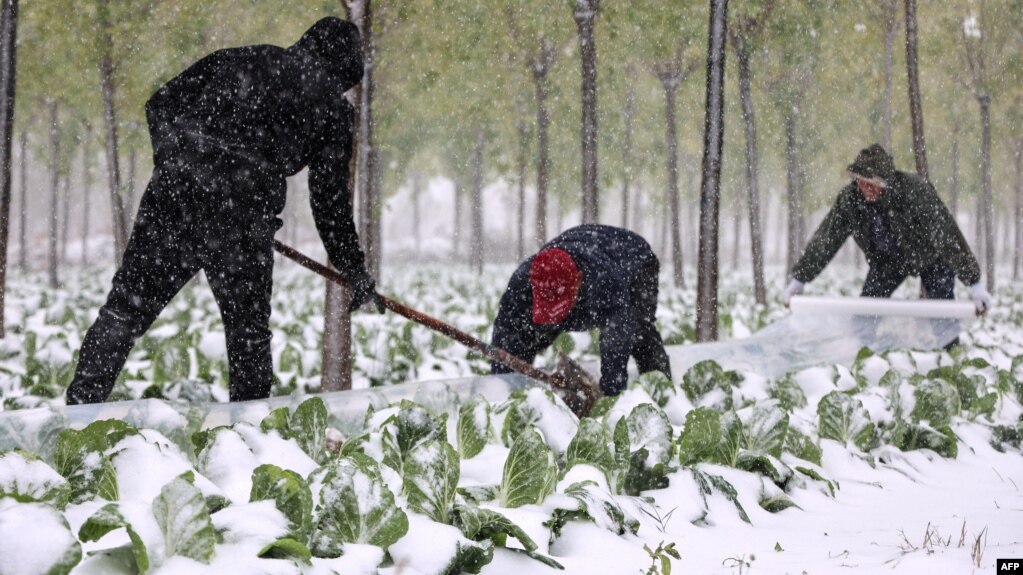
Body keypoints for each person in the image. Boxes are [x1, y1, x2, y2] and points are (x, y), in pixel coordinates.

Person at [66, 18, 379, 405]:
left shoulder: (242, 60)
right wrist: (354, 269)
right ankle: (247, 436)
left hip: (173, 202)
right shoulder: (332, 111)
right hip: (242, 224)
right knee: (247, 338)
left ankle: (79, 408)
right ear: (346, 70)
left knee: (125, 311)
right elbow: (329, 203)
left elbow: (160, 103)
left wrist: (179, 165)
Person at [782, 143, 993, 317]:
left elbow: (946, 235)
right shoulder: (850, 201)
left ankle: (949, 357)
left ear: (886, 182)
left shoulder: (915, 192)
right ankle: (865, 360)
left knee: (942, 315)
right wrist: (800, 278)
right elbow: (827, 238)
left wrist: (974, 282)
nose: (867, 189)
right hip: (887, 262)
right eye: (862, 183)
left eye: (874, 183)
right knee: (866, 313)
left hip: (931, 257)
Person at [490, 224, 672, 397]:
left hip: (635, 259)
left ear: (578, 280)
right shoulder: (523, 281)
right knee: (529, 333)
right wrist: (505, 384)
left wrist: (609, 399)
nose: (554, 314)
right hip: (585, 251)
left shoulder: (605, 282)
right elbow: (506, 333)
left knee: (639, 332)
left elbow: (617, 340)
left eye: (559, 305)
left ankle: (662, 391)